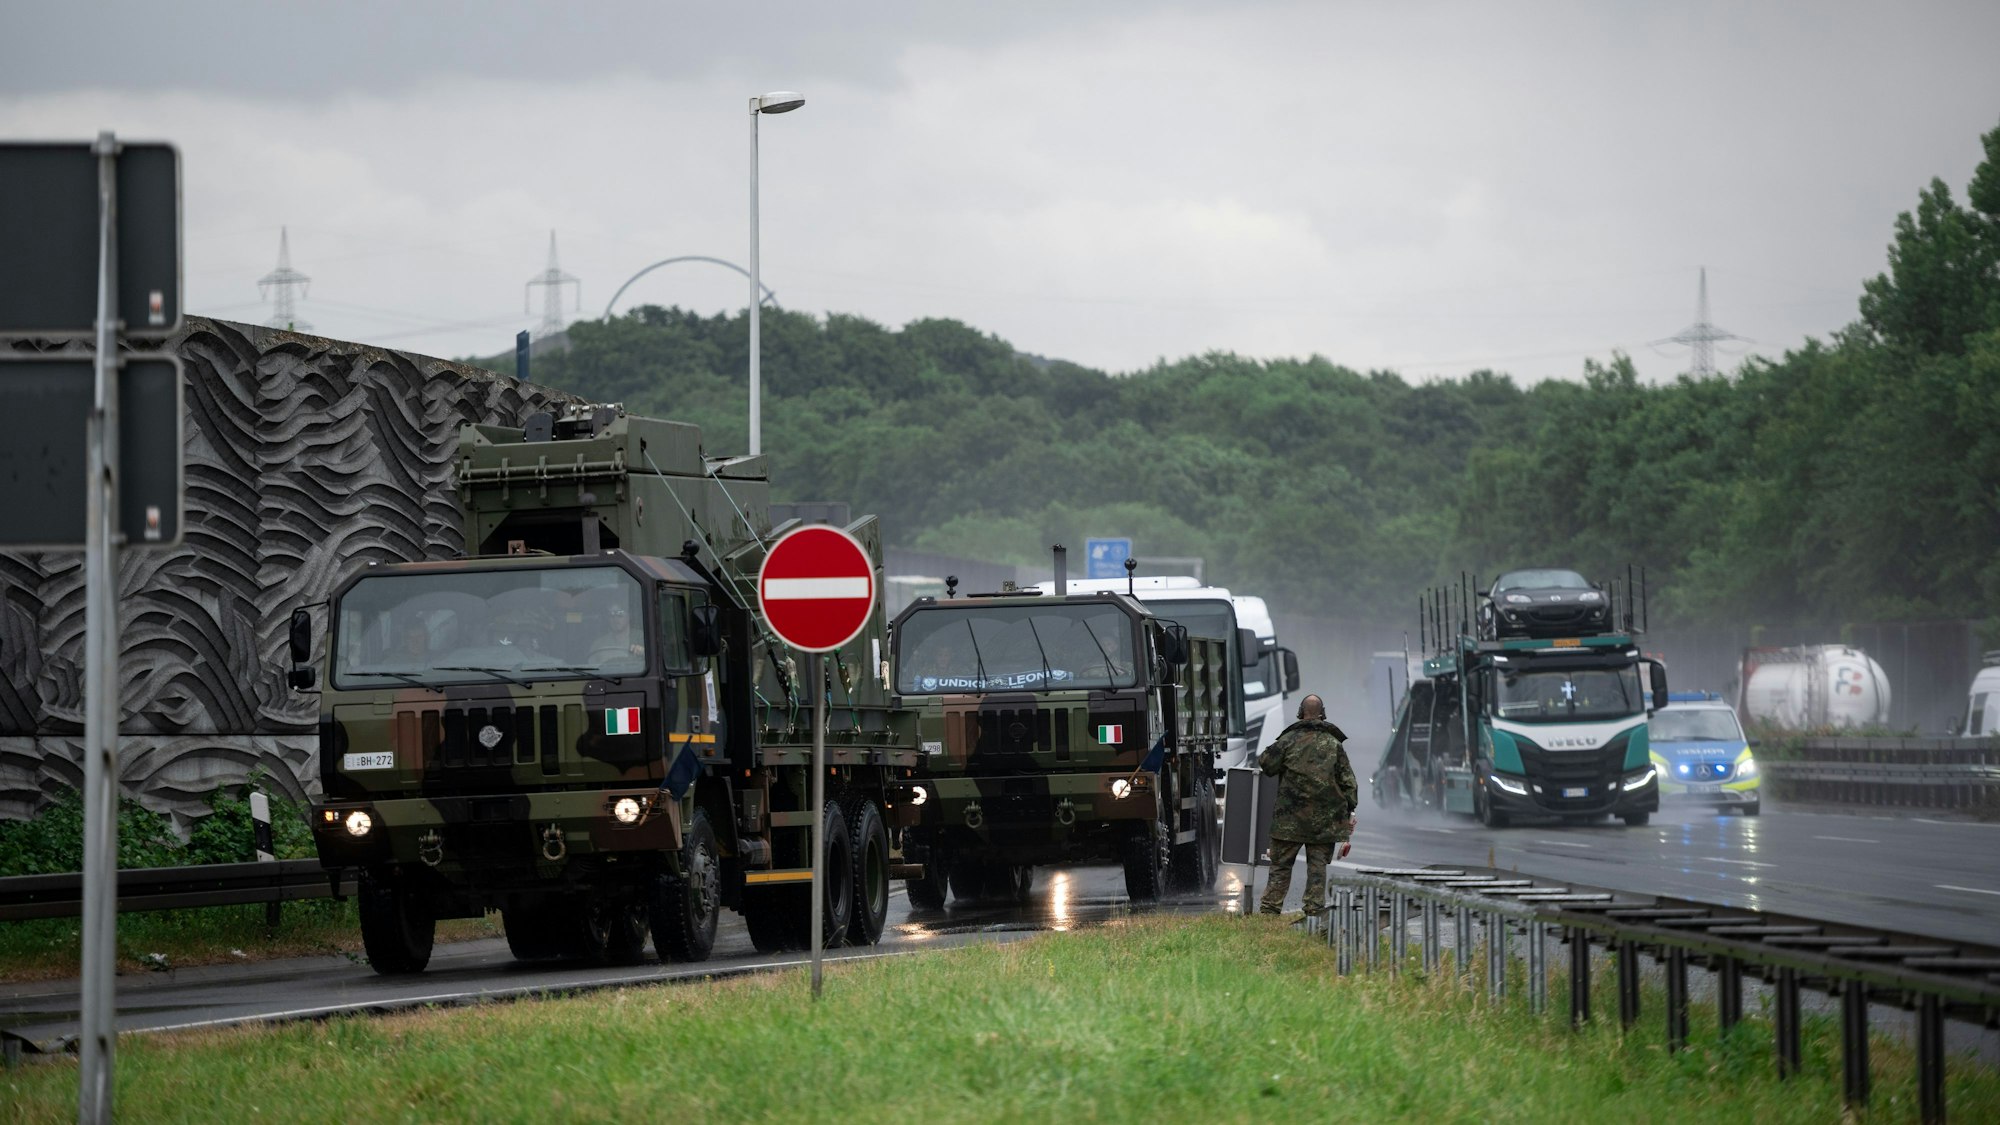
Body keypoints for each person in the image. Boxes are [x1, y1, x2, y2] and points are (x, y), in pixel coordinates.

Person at [1257, 693, 1358, 919]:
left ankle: (1269, 913)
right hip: (1324, 824)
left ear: (1300, 713)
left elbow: (1266, 764)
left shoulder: (1287, 741)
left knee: (1280, 867)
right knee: (1317, 869)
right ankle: (1313, 913)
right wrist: (1351, 811)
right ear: (1323, 715)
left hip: (1288, 821)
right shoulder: (1334, 745)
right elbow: (1349, 783)